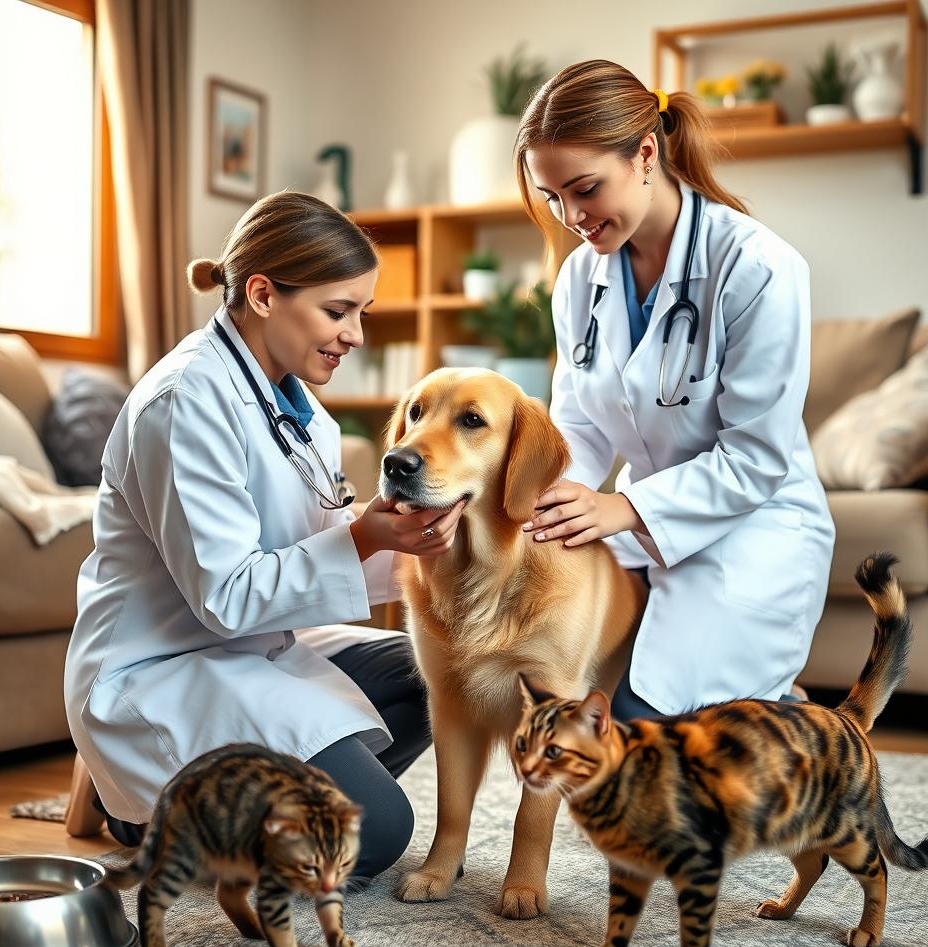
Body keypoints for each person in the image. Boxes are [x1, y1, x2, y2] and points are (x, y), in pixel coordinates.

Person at [64, 191, 465, 880]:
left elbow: (312, 541)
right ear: (261, 294)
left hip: (254, 650)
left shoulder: (301, 410)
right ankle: (148, 808)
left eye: (361, 313)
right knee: (377, 833)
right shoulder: (185, 402)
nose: (355, 336)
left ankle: (236, 794)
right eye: (338, 312)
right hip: (163, 667)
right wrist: (365, 541)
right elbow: (226, 596)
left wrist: (396, 537)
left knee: (437, 673)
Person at [514, 60, 835, 719]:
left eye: (584, 189)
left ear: (646, 154)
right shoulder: (580, 278)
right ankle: (767, 705)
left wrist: (623, 511)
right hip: (644, 526)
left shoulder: (757, 267)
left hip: (754, 530)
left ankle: (784, 713)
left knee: (638, 734)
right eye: (552, 198)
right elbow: (579, 426)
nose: (571, 216)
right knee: (562, 697)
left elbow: (756, 461)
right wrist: (538, 502)